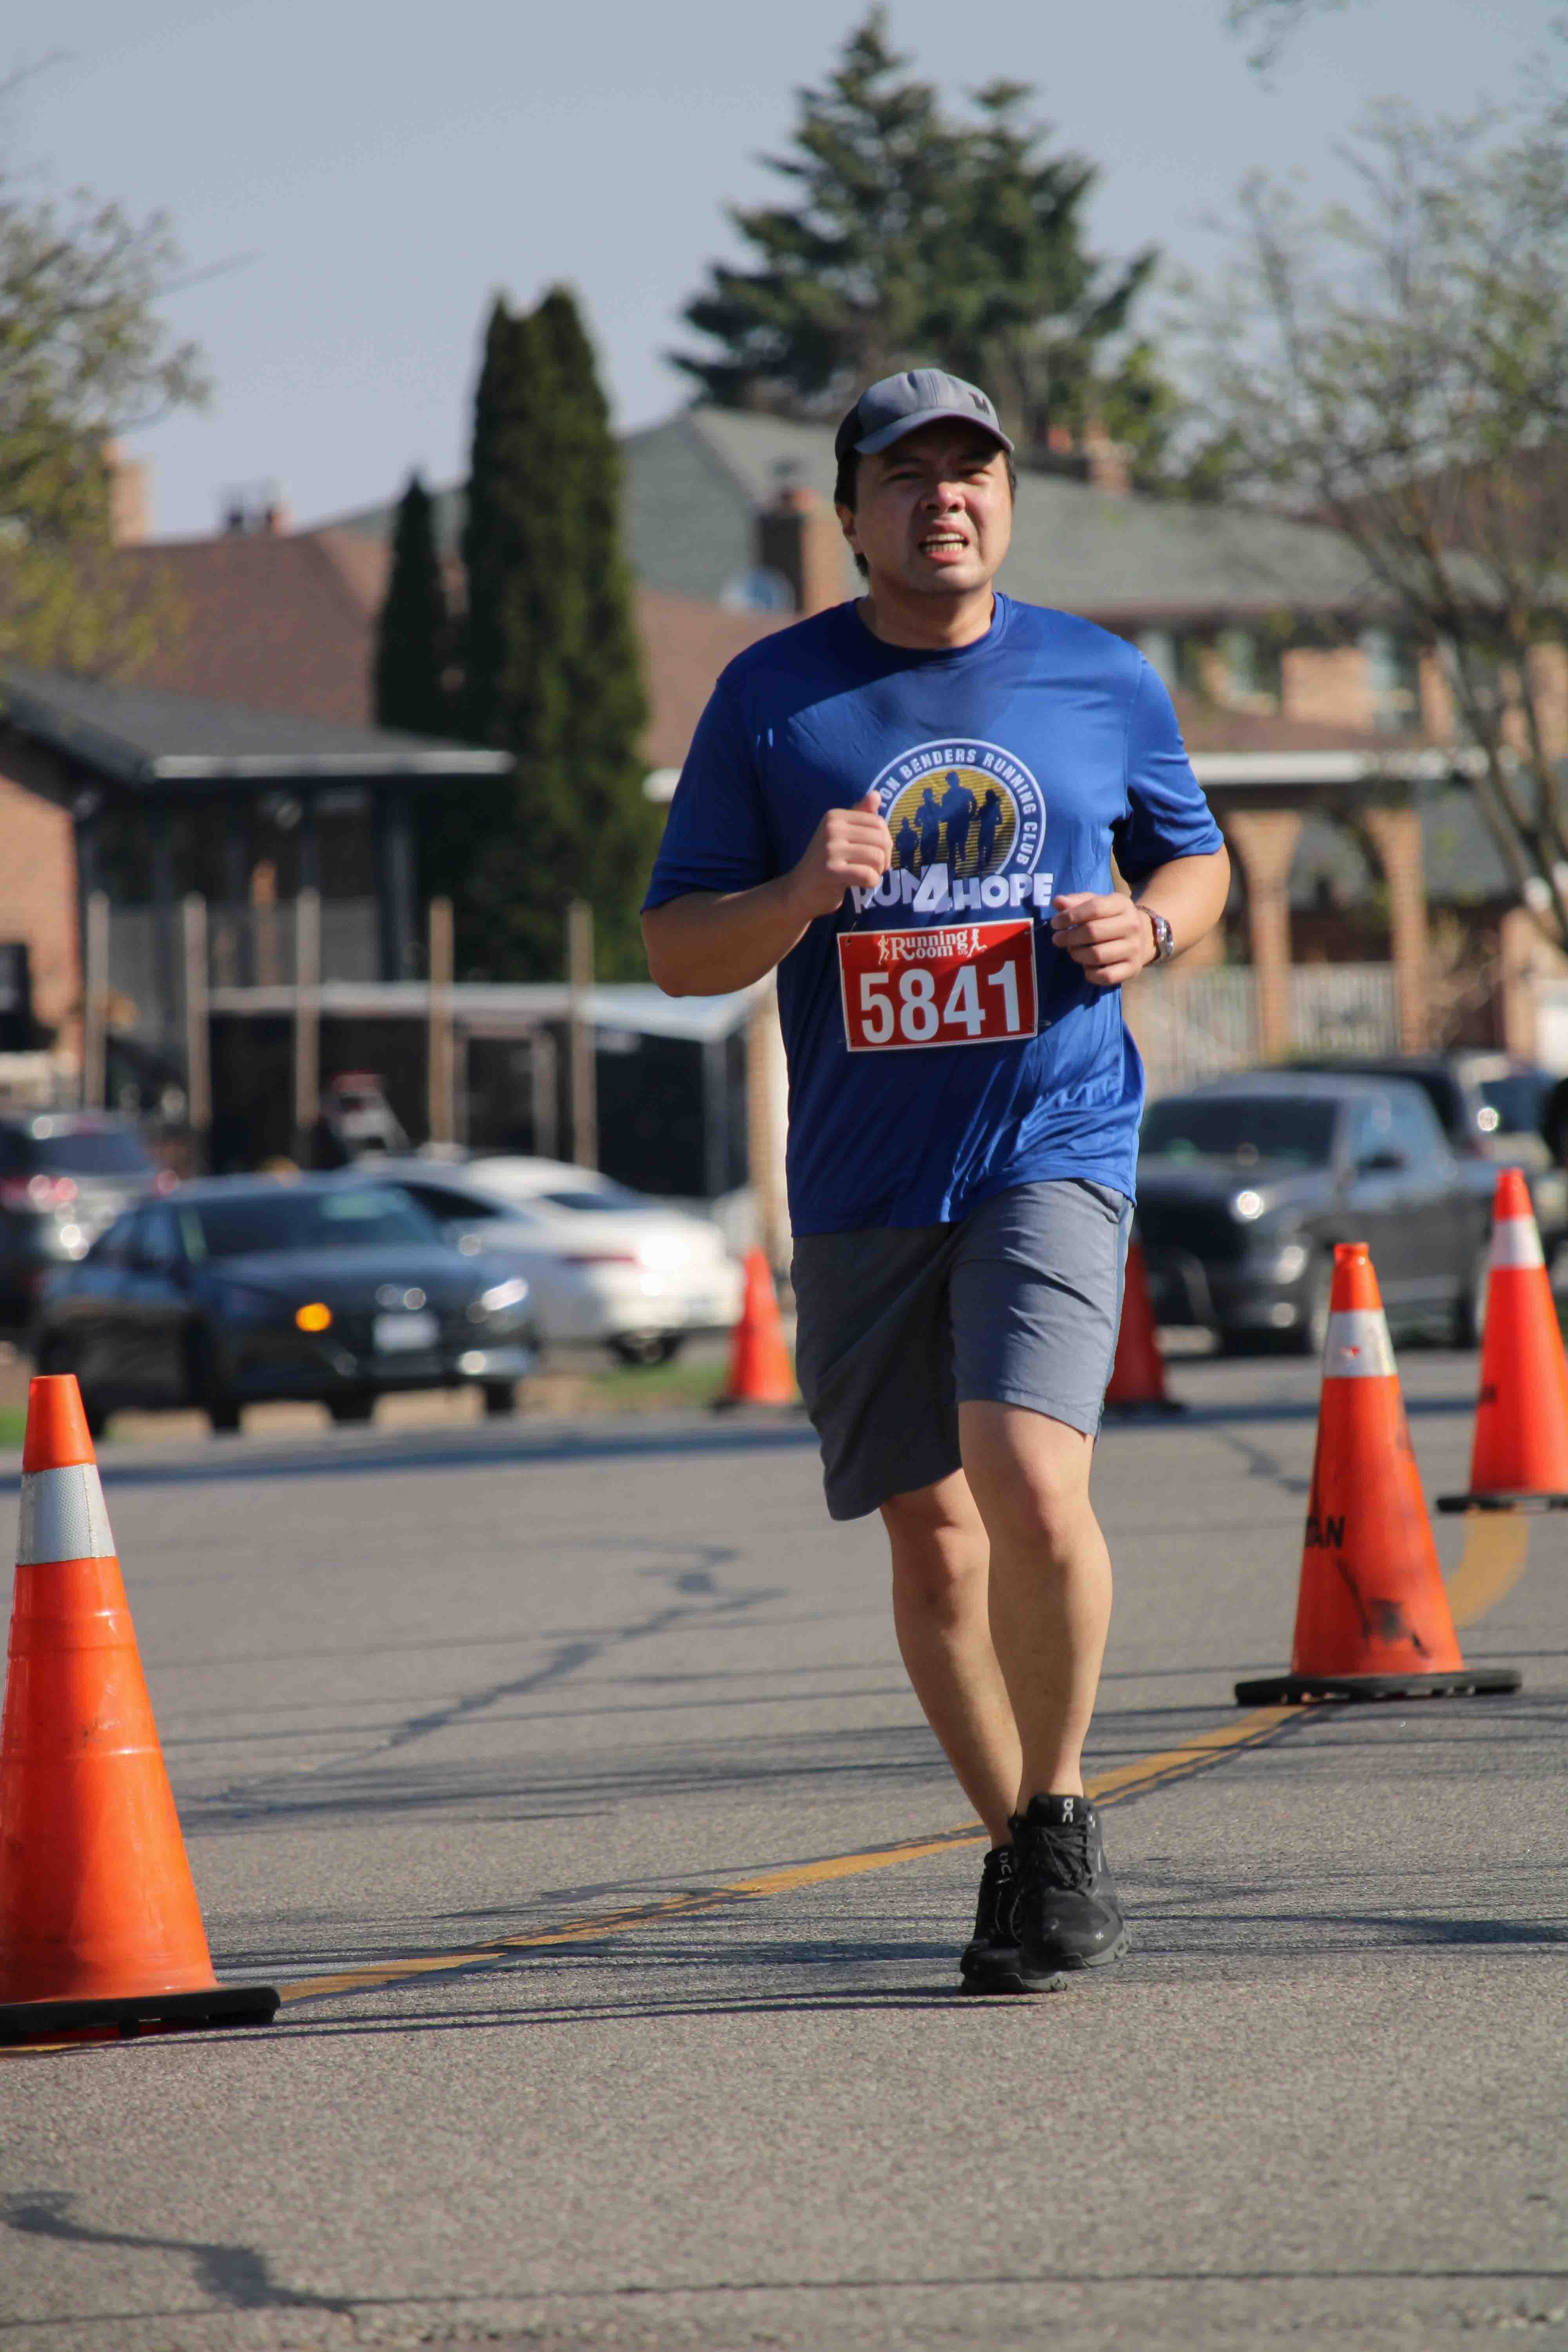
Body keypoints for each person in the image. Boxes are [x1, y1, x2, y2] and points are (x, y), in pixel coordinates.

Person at [642, 368, 1229, 1996]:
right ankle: (1018, 1850)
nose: (943, 499)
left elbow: (1197, 857)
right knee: (936, 1539)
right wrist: (794, 891)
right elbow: (678, 951)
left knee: (1029, 1483)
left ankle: (1062, 1812)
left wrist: (1150, 926)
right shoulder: (772, 700)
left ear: (1008, 504)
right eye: (905, 477)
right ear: (850, 517)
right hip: (860, 1174)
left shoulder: (1100, 675)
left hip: (1053, 1134)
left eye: (971, 472)